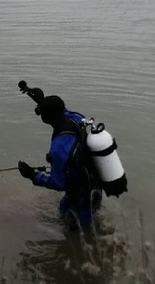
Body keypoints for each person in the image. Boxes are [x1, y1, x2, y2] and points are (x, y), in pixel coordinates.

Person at [18, 92, 102, 230]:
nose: (41, 116)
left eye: (43, 113)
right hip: (95, 174)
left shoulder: (58, 148)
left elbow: (58, 183)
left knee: (83, 225)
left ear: (48, 116)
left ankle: (85, 245)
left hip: (82, 185)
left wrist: (32, 175)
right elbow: (55, 107)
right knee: (65, 207)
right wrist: (40, 99)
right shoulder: (75, 117)